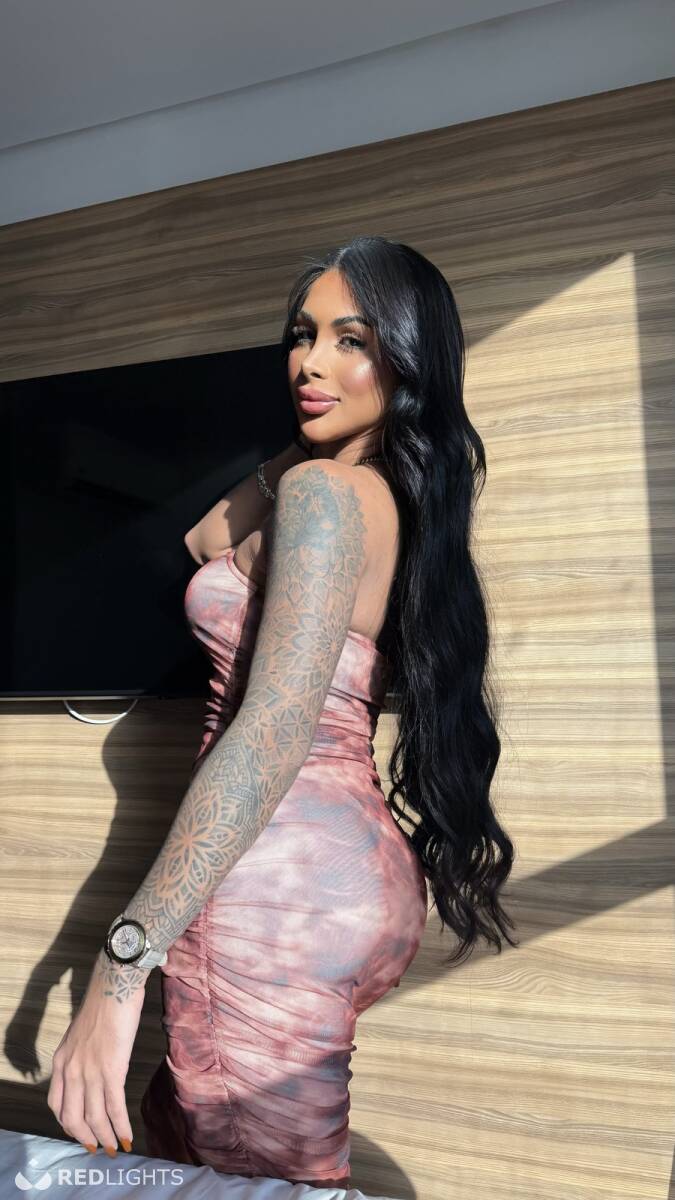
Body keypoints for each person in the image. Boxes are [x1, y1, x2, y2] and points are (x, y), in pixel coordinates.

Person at [48, 236, 518, 1188]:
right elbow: (201, 539)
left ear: (408, 360)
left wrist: (122, 964)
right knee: (198, 1149)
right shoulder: (373, 496)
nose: (309, 363)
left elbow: (270, 731)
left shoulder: (325, 496)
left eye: (352, 341)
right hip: (345, 875)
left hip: (276, 884)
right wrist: (316, 438)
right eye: (302, 336)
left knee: (260, 1183)